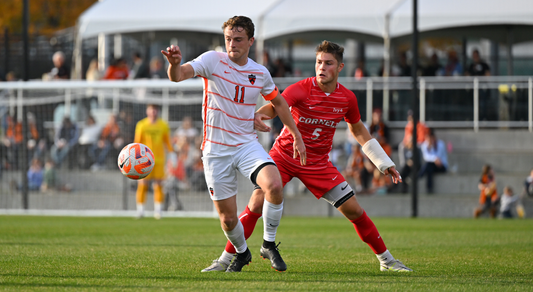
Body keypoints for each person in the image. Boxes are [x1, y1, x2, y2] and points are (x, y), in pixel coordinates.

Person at [201, 40, 411, 273]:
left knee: (354, 210)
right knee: (256, 204)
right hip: (283, 157)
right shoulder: (300, 88)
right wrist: (258, 115)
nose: (322, 67)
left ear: (340, 67)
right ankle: (224, 260)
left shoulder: (347, 98)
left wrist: (383, 162)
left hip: (318, 163)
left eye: (328, 63)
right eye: (319, 62)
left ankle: (387, 261)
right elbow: (275, 106)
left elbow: (358, 130)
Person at [161, 16, 306, 273]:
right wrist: (173, 65)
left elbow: (279, 103)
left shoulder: (260, 73)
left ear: (251, 41)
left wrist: (294, 133)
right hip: (215, 150)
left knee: (273, 184)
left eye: (238, 39)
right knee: (228, 219)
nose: (232, 44)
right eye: (228, 39)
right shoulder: (212, 60)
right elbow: (178, 76)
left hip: (245, 144)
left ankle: (268, 244)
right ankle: (241, 253)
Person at [134, 104, 174, 220]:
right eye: (151, 110)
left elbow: (168, 142)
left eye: (155, 110)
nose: (153, 112)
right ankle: (140, 210)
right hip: (144, 160)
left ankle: (158, 211)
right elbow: (137, 142)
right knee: (142, 184)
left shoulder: (163, 125)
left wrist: (172, 154)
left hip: (159, 159)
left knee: (159, 184)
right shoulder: (141, 125)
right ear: (147, 111)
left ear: (158, 112)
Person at [418, 128, 448, 193]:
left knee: (429, 165)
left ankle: (420, 175)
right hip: (432, 165)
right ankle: (429, 188)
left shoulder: (440, 144)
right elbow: (426, 157)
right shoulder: (424, 145)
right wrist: (430, 148)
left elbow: (438, 158)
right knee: (429, 168)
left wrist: (432, 149)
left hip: (442, 166)